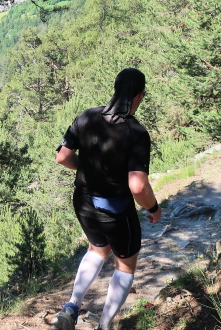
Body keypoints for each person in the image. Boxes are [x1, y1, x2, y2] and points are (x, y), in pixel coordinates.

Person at [51, 68, 162, 330]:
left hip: (83, 201)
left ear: (115, 89)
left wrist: (87, 169)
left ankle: (71, 307)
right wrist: (154, 208)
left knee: (97, 249)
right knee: (124, 266)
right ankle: (104, 325)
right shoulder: (136, 132)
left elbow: (63, 157)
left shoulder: (87, 116)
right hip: (115, 210)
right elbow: (137, 186)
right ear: (140, 95)